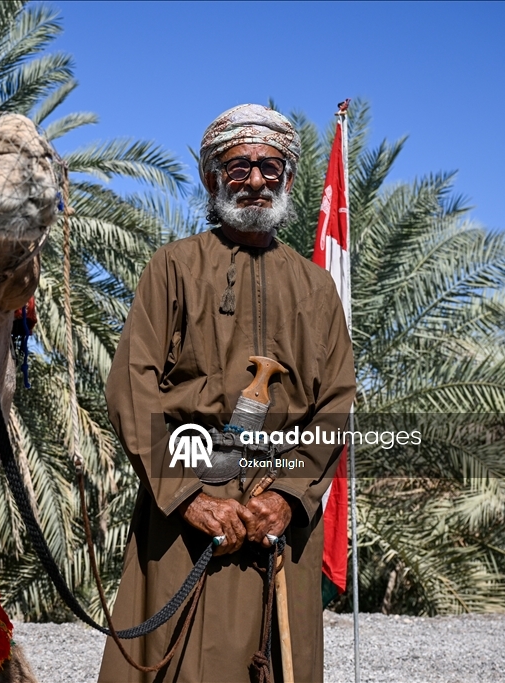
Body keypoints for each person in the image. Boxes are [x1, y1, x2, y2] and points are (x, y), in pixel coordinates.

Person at [97, 104, 356, 683]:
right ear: (212, 177)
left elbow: (336, 400)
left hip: (279, 521)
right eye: (238, 167)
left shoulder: (315, 287)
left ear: (288, 177)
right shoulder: (174, 268)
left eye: (270, 166)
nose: (256, 180)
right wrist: (187, 494)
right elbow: (131, 387)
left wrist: (288, 496)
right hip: (183, 515)